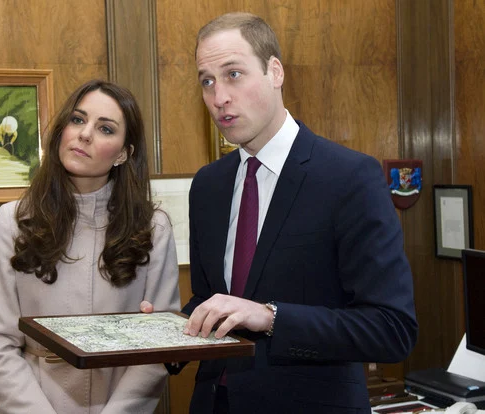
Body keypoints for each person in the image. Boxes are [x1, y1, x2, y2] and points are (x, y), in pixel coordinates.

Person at [175, 12, 418, 413]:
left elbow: (391, 328)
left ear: (275, 71)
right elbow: (209, 299)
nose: (219, 98)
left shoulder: (349, 176)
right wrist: (155, 335)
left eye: (233, 74)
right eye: (207, 81)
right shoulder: (208, 185)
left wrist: (271, 317)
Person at [0, 80, 181, 414]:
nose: (85, 134)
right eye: (77, 120)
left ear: (123, 153)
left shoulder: (153, 227)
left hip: (120, 402)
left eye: (105, 128)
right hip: (36, 400)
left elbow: (161, 348)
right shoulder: (12, 220)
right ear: (62, 131)